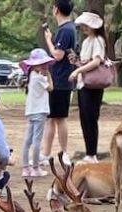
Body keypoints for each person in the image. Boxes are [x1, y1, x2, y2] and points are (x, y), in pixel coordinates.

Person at [40, 0, 76, 165]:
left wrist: (48, 40)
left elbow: (58, 55)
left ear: (57, 10)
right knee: (51, 118)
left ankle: (64, 152)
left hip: (60, 80)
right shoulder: (69, 28)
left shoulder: (65, 30)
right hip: (58, 79)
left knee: (59, 117)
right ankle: (46, 153)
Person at [69, 11, 107, 162]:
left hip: (93, 85)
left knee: (90, 118)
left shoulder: (97, 40)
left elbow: (96, 61)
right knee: (85, 118)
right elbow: (87, 61)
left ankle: (92, 152)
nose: (84, 27)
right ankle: (89, 151)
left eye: (87, 25)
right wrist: (76, 61)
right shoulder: (86, 42)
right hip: (83, 83)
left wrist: (78, 70)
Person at [19, 49, 54, 177]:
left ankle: (25, 167)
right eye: (42, 64)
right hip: (40, 111)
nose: (44, 66)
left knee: (28, 140)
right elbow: (51, 87)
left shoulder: (32, 77)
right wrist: (48, 74)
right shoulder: (39, 78)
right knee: (37, 140)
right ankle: (35, 167)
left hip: (31, 111)